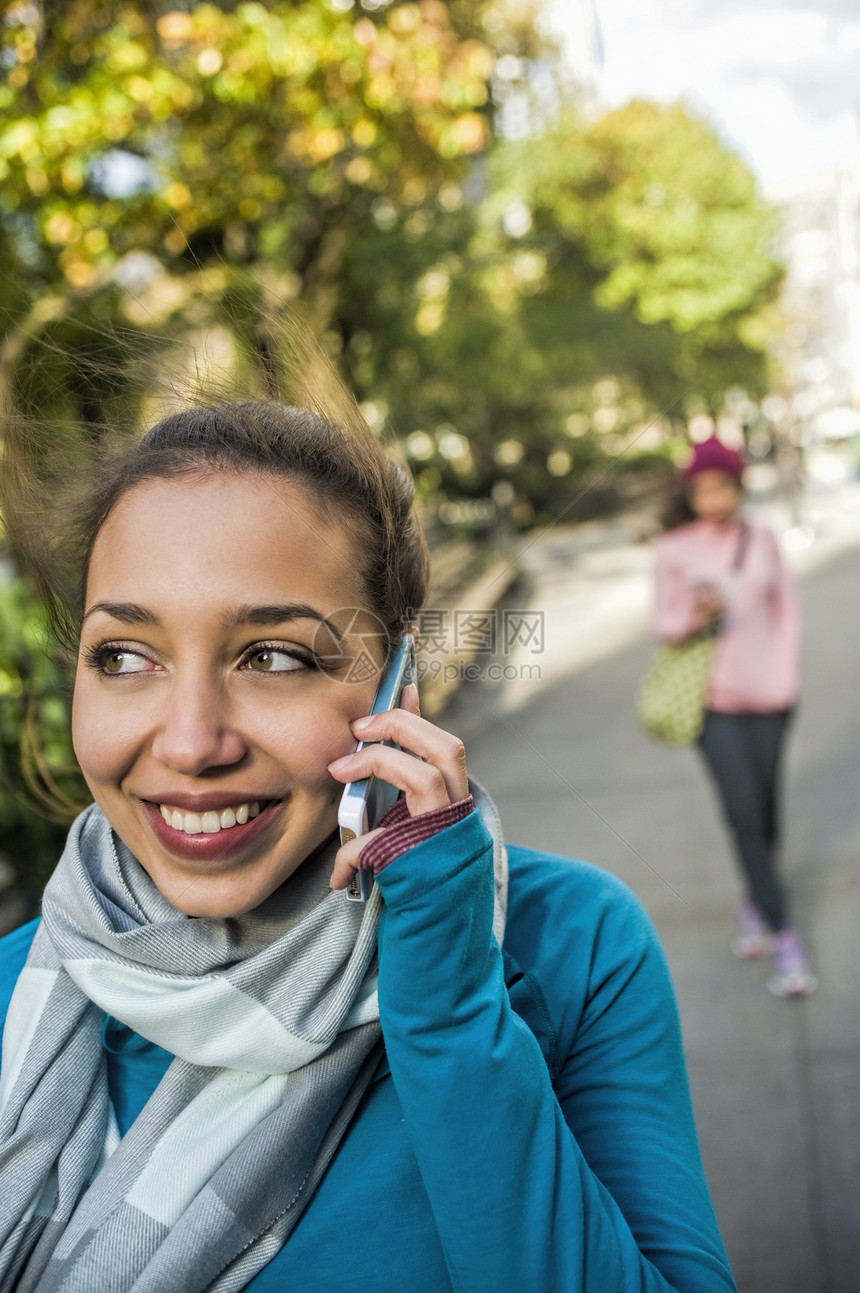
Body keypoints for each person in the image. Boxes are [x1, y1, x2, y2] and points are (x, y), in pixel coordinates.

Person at [0, 379, 737, 1291]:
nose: (191, 742)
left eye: (274, 657)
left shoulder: (573, 945)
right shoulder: (15, 987)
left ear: (397, 692)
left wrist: (450, 1006)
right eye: (124, 656)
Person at [653, 434, 816, 998]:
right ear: (692, 493)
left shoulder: (761, 538)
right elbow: (663, 624)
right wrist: (694, 616)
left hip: (773, 698)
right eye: (703, 490)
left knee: (767, 815)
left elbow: (786, 608)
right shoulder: (674, 548)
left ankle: (755, 902)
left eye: (723, 486)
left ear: (738, 486)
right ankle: (785, 937)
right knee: (746, 816)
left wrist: (786, 674)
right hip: (713, 704)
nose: (714, 499)